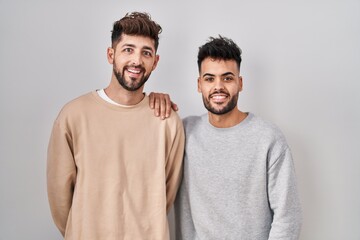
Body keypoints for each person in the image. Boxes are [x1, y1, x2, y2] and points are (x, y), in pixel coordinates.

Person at [47, 12, 185, 240]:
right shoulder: (73, 116)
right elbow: (59, 198)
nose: (137, 61)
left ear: (155, 62)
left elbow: (166, 195)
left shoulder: (167, 121)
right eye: (128, 50)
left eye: (146, 53)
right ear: (111, 55)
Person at [173, 35, 302, 239]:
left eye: (227, 78)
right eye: (209, 78)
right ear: (199, 84)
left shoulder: (268, 139)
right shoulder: (184, 131)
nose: (218, 87)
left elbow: (288, 216)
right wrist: (153, 99)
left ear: (240, 83)